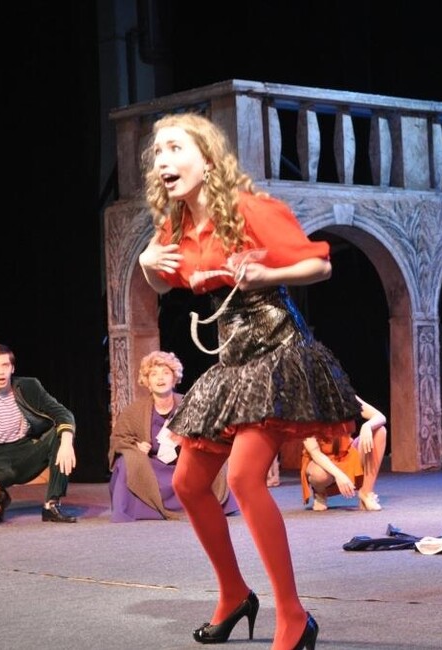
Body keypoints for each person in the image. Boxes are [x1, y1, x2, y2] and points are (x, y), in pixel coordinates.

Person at [137, 112, 359, 650]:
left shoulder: (248, 208)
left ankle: (293, 615)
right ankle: (234, 594)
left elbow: (320, 266)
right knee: (189, 483)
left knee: (242, 476)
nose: (163, 160)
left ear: (207, 158)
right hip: (234, 361)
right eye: (158, 152)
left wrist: (269, 273)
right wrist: (146, 261)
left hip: (278, 352)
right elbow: (164, 283)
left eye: (175, 148)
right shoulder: (177, 226)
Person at [107, 350, 237, 522]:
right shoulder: (134, 411)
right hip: (152, 467)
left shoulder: (190, 404)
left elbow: (210, 433)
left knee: (215, 456)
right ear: (147, 381)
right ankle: (138, 508)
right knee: (126, 461)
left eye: (166, 373)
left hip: (185, 464)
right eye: (154, 374)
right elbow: (118, 439)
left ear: (174, 378)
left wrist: (190, 442)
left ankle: (210, 503)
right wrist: (135, 445)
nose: (160, 378)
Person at [0, 343, 77, 524]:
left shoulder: (29, 386)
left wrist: (66, 443)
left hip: (28, 452)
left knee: (63, 433)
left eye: (5, 365)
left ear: (12, 368)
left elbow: (62, 413)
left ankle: (52, 505)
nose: (1, 372)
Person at [301, 396, 388, 511]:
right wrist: (339, 475)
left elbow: (380, 416)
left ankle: (366, 492)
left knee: (380, 431)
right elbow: (315, 453)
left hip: (346, 455)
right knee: (319, 475)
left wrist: (366, 426)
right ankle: (320, 494)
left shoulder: (345, 396)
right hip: (321, 462)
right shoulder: (308, 406)